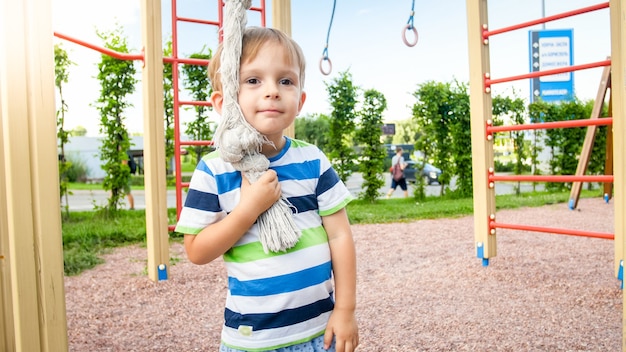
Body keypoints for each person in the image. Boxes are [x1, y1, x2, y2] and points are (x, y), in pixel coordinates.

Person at [174, 27, 359, 352]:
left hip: (320, 333)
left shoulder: (312, 161)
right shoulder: (215, 170)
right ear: (223, 102)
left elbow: (340, 236)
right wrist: (248, 210)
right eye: (253, 80)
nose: (272, 91)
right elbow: (197, 251)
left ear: (300, 100)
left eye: (285, 81)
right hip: (253, 340)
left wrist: (345, 310)